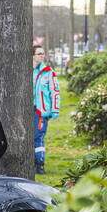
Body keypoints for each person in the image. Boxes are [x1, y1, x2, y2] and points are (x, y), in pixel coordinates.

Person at [32, 45, 60, 175]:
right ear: (32, 55)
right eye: (39, 54)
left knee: (38, 137)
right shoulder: (24, 71)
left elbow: (55, 92)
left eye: (43, 53)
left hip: (40, 111)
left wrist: (55, 110)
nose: (42, 56)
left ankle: (40, 164)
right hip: (26, 110)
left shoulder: (48, 72)